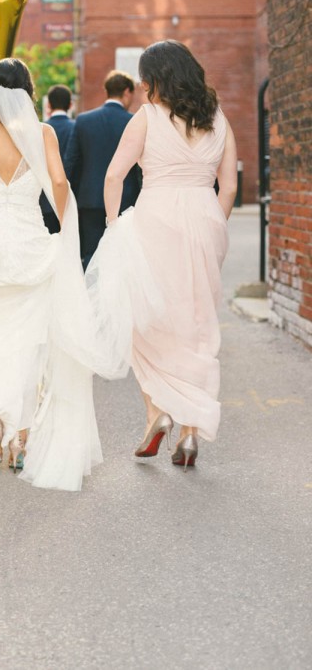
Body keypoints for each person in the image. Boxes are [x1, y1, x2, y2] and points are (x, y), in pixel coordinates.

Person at [0, 58, 108, 491]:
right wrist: (66, 225)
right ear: (28, 93)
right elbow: (58, 182)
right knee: (30, 340)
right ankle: (20, 437)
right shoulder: (43, 134)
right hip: (30, 245)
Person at [87, 41, 238, 471]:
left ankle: (159, 413)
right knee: (196, 324)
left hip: (155, 219)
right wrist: (215, 227)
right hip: (205, 218)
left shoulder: (147, 118)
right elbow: (227, 187)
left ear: (156, 79)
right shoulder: (218, 119)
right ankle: (190, 434)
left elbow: (115, 175)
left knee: (146, 321)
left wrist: (115, 225)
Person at [65, 70, 141, 268]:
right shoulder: (135, 122)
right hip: (126, 201)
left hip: (90, 200)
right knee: (122, 255)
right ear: (127, 92)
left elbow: (71, 162)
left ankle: (91, 296)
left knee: (91, 254)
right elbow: (142, 167)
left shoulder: (84, 120)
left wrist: (69, 199)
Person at [41, 84, 75, 234]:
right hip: (70, 199)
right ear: (70, 105)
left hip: (43, 200)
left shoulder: (39, 130)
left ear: (48, 105)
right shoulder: (76, 127)